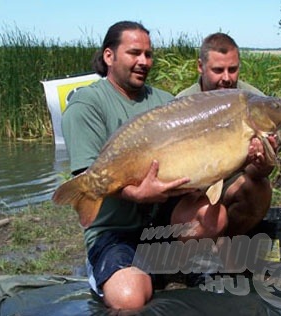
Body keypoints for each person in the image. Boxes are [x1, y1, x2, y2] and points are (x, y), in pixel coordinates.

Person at [61, 21, 193, 310]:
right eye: (134, 53)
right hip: (114, 231)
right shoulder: (87, 104)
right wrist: (136, 194)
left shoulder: (165, 102)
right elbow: (86, 177)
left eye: (148, 54)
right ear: (109, 56)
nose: (144, 62)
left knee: (211, 214)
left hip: (162, 222)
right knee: (128, 299)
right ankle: (115, 272)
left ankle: (177, 268)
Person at [172, 32, 277, 240]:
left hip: (231, 180)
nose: (227, 78)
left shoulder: (256, 102)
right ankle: (182, 262)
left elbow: (262, 171)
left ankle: (226, 246)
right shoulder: (183, 102)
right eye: (218, 70)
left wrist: (262, 161)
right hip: (193, 188)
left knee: (259, 190)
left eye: (233, 69)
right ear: (200, 67)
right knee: (204, 218)